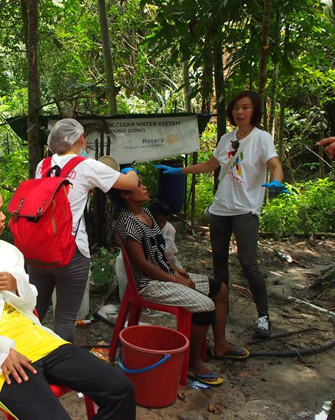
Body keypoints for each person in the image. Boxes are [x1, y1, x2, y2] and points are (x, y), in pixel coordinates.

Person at [0, 179, 136, 420]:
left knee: (121, 389)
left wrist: (17, 286)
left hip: (38, 341)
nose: (4, 217)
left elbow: (29, 304)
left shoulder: (6, 252)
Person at [155, 90, 288, 338]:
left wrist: (278, 181)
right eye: (237, 107)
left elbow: (274, 165)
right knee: (219, 260)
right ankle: (221, 307)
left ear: (254, 111)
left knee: (248, 263)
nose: (240, 112)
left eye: (246, 107)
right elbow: (211, 165)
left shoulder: (262, 138)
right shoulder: (227, 138)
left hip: (245, 209)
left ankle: (263, 316)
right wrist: (178, 171)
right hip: (220, 208)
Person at [111, 180, 250, 387]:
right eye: (139, 185)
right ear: (126, 195)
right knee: (204, 305)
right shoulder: (128, 223)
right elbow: (142, 263)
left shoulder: (148, 215)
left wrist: (175, 269)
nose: (144, 187)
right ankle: (193, 362)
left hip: (166, 275)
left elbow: (158, 250)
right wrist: (175, 280)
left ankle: (220, 345)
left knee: (220, 289)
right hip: (149, 284)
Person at [28, 118, 138, 342]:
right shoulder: (86, 165)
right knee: (66, 319)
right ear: (79, 138)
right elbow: (130, 184)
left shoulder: (43, 165)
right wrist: (132, 171)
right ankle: (62, 369)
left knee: (35, 313)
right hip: (71, 251)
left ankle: (33, 362)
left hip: (38, 248)